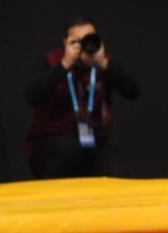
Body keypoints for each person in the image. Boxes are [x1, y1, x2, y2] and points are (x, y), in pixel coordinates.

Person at [24, 16, 140, 179]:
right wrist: (64, 64)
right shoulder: (49, 62)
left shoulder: (103, 62)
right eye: (75, 42)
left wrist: (104, 65)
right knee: (68, 150)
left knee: (114, 165)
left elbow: (132, 91)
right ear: (65, 42)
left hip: (90, 144)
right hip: (51, 145)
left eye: (87, 40)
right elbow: (32, 96)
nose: (82, 47)